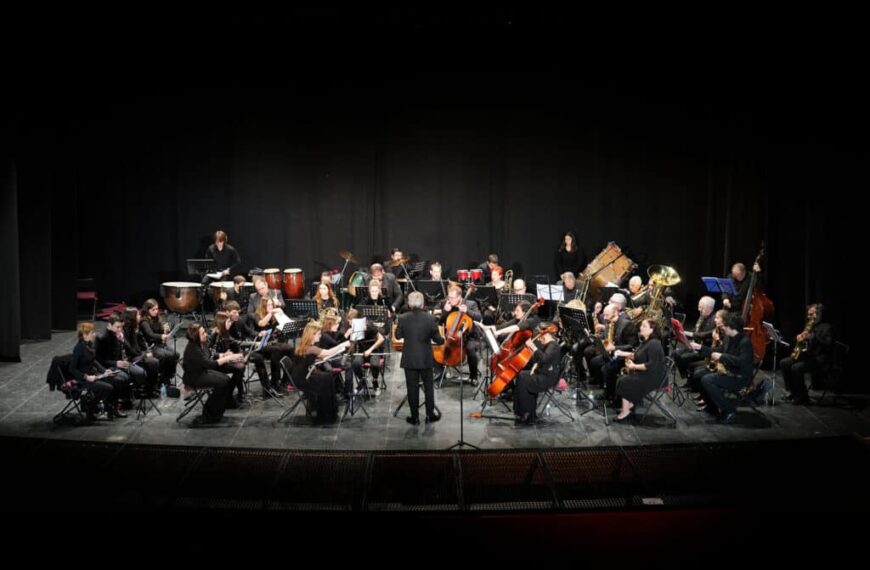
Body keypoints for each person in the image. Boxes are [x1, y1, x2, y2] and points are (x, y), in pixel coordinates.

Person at [691, 313, 755, 424]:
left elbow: (741, 362)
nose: (722, 328)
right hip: (729, 372)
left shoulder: (745, 342)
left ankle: (729, 411)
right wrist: (700, 348)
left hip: (739, 377)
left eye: (724, 326)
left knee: (708, 380)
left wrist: (722, 357)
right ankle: (712, 407)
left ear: (731, 327)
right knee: (698, 375)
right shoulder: (728, 338)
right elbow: (718, 350)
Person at [394, 291, 445, 425]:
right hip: (425, 358)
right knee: (428, 388)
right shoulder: (430, 318)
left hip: (409, 358)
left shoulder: (403, 318)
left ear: (409, 304)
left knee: (412, 388)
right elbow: (439, 340)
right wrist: (444, 339)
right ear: (423, 304)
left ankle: (415, 417)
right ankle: (430, 415)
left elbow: (398, 336)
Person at [291, 321, 351, 424]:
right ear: (312, 335)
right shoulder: (311, 348)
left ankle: (327, 412)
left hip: (302, 375)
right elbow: (326, 353)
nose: (320, 336)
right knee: (326, 379)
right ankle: (326, 415)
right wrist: (343, 345)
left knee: (327, 376)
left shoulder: (303, 345)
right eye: (318, 334)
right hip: (303, 379)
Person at [181, 323, 240, 424]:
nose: (206, 335)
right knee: (223, 383)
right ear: (196, 336)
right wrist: (227, 358)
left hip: (201, 372)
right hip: (194, 377)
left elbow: (210, 354)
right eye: (203, 333)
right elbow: (210, 364)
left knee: (226, 379)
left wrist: (223, 354)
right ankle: (209, 414)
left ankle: (217, 410)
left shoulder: (201, 343)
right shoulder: (193, 349)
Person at [613, 319, 666, 422]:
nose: (641, 328)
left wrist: (633, 366)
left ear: (652, 330)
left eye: (644, 326)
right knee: (622, 378)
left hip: (654, 377)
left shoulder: (654, 344)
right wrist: (622, 353)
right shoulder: (646, 341)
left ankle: (625, 412)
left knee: (625, 381)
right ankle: (628, 405)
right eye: (641, 325)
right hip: (647, 374)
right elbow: (637, 354)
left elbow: (651, 365)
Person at [780, 303, 834, 405]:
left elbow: (828, 344)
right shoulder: (810, 325)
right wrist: (798, 338)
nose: (809, 317)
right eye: (808, 315)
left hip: (819, 359)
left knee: (796, 368)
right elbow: (805, 343)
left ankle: (802, 396)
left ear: (818, 315)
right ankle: (793, 392)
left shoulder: (827, 327)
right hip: (807, 356)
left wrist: (812, 338)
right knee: (784, 363)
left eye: (811, 314)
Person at [69, 322, 119, 421]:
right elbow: (72, 369)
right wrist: (86, 377)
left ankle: (110, 410)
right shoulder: (79, 348)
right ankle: (90, 409)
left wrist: (105, 371)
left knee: (115, 380)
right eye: (92, 333)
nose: (94, 334)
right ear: (84, 335)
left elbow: (94, 360)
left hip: (94, 375)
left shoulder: (89, 345)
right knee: (107, 387)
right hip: (84, 380)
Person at [513, 323, 561, 425]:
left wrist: (533, 347)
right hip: (544, 373)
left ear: (546, 335)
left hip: (548, 378)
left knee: (523, 378)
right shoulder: (548, 345)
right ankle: (527, 413)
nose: (539, 340)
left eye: (539, 337)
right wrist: (536, 364)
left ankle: (526, 413)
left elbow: (544, 358)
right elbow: (540, 359)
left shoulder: (553, 345)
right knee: (522, 375)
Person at [436, 284, 483, 385]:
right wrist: (445, 312)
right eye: (449, 297)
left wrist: (468, 311)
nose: (450, 300)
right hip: (451, 335)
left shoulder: (471, 304)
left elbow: (479, 317)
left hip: (470, 336)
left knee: (470, 348)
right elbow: (440, 323)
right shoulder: (447, 304)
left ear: (459, 297)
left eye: (452, 298)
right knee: (436, 345)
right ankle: (440, 373)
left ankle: (473, 376)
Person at [672, 296, 717, 380]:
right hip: (695, 344)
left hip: (704, 349)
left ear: (708, 308)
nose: (699, 309)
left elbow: (705, 335)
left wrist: (687, 333)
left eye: (701, 307)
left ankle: (689, 378)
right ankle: (685, 376)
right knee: (675, 353)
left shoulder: (715, 320)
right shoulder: (703, 316)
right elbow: (696, 329)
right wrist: (684, 332)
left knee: (684, 358)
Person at [139, 298, 180, 386]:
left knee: (176, 354)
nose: (156, 311)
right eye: (153, 310)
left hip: (159, 344)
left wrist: (165, 330)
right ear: (147, 310)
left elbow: (160, 330)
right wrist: (161, 336)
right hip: (151, 346)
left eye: (157, 309)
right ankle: (161, 378)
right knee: (164, 355)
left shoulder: (156, 318)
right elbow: (150, 334)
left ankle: (168, 376)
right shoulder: (144, 321)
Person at [345, 308, 386, 395]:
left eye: (350, 322)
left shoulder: (369, 326)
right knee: (355, 363)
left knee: (374, 364)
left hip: (373, 351)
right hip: (361, 352)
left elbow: (381, 339)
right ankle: (362, 381)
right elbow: (352, 344)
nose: (349, 324)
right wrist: (348, 336)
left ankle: (375, 381)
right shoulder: (353, 329)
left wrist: (370, 350)